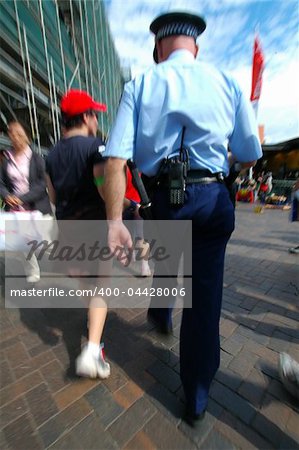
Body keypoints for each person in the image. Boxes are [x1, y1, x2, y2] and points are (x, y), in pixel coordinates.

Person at [103, 11, 262, 426]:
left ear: (158, 48)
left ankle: (160, 312)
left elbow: (116, 158)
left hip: (164, 201)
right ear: (197, 46)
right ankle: (196, 396)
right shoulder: (226, 82)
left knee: (168, 261)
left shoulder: (140, 84)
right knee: (204, 298)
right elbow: (249, 153)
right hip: (212, 197)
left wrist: (114, 221)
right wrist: (221, 166)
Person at [45, 89, 110, 379]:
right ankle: (92, 351)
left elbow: (53, 196)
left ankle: (92, 330)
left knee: (87, 284)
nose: (96, 120)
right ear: (85, 117)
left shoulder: (51, 155)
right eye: (94, 114)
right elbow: (102, 187)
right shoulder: (95, 147)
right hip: (94, 225)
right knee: (103, 287)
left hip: (68, 227)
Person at [0, 121, 52, 283]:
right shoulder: (7, 159)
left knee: (46, 244)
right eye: (11, 133)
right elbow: (1, 183)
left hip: (37, 208)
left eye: (19, 134)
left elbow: (42, 184)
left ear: (27, 137)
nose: (15, 137)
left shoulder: (36, 158)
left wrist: (21, 198)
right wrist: (7, 195)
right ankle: (33, 272)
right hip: (17, 211)